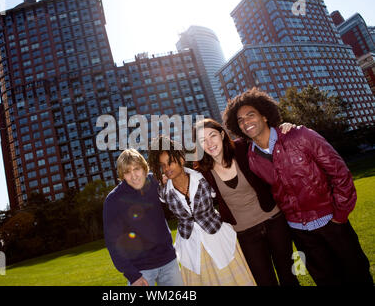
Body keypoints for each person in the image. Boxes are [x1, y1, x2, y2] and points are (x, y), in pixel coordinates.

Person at [223, 87, 373, 286]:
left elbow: (340, 173)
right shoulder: (250, 157)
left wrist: (339, 215)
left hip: (332, 222)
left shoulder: (300, 135)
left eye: (251, 115)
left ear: (265, 116)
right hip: (300, 232)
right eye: (240, 120)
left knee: (358, 276)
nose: (246, 122)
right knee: (325, 280)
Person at [193, 118, 299, 286]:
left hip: (274, 221)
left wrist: (286, 129)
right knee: (264, 282)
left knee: (289, 277)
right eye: (202, 140)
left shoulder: (243, 148)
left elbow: (266, 138)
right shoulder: (202, 172)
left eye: (212, 135)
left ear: (222, 134)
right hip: (244, 234)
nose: (209, 143)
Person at [148, 136, 256, 286]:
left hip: (218, 238)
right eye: (162, 165)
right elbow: (139, 183)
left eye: (170, 162)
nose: (166, 169)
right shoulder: (163, 191)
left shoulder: (204, 178)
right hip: (190, 246)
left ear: (181, 158)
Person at [103, 148, 183, 286]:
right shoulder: (113, 200)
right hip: (140, 270)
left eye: (137, 169)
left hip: (168, 261)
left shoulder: (155, 182)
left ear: (144, 168)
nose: (134, 176)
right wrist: (133, 276)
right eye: (127, 172)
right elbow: (113, 243)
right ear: (122, 175)